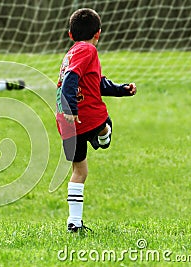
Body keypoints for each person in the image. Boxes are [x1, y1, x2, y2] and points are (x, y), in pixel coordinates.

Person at [55, 8, 137, 233]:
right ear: (98, 33)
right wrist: (72, 106)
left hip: (66, 122)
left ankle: (74, 222)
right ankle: (103, 135)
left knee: (79, 172)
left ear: (70, 35)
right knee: (104, 124)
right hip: (86, 115)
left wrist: (121, 90)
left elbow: (97, 83)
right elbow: (71, 78)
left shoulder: (71, 52)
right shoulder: (88, 49)